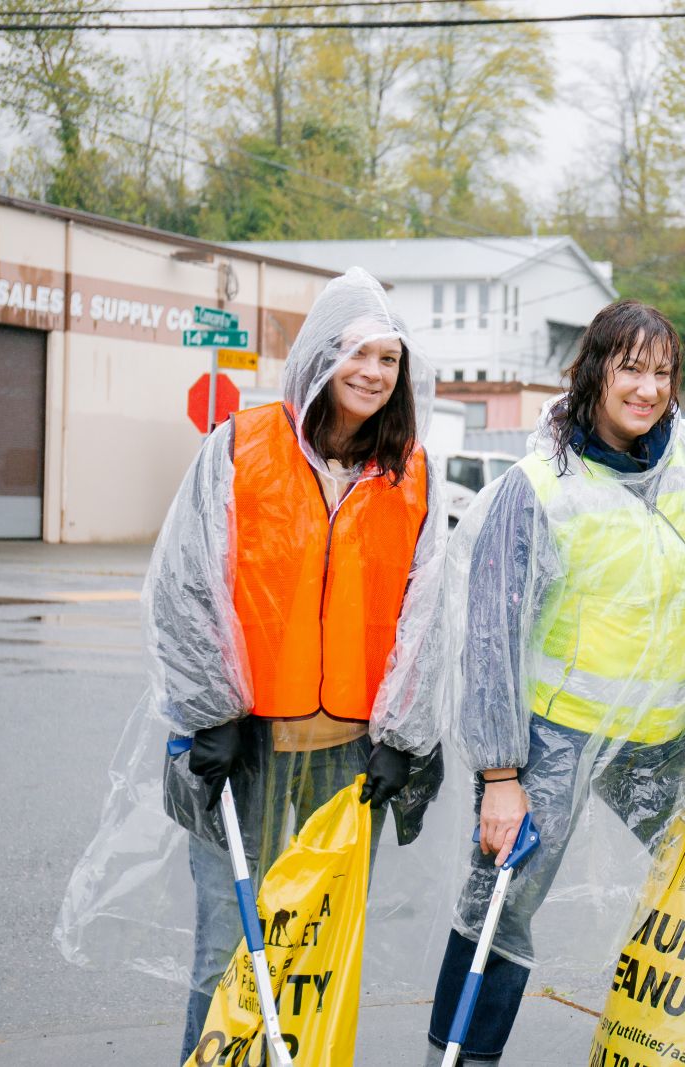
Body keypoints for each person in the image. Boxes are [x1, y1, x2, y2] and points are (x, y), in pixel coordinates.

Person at [426, 299, 685, 1065]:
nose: (648, 388)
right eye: (631, 367)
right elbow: (491, 640)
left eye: (664, 372)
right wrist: (502, 775)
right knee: (501, 903)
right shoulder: (536, 486)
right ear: (593, 369)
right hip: (553, 736)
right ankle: (463, 1055)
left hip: (667, 738)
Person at [146, 268, 449, 1062]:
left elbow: (427, 614)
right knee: (228, 949)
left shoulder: (411, 472)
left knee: (318, 950)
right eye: (356, 352)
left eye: (389, 358)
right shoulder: (241, 448)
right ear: (318, 355)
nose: (373, 372)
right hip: (241, 742)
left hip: (350, 757)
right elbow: (186, 585)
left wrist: (404, 734)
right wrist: (208, 712)